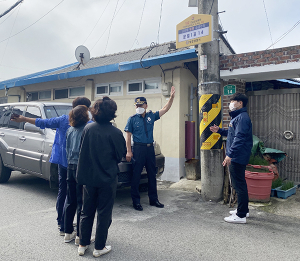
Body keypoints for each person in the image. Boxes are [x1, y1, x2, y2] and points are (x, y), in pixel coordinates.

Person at [11, 97, 91, 234]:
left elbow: (43, 122)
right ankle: (76, 228)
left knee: (64, 191)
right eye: (87, 108)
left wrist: (24, 119)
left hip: (62, 162)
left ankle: (62, 223)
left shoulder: (63, 119)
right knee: (77, 195)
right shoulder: (88, 124)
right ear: (84, 109)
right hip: (77, 164)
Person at [76, 97, 126, 257]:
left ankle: (82, 244)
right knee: (104, 213)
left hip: (89, 177)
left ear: (94, 112)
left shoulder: (88, 129)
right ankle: (99, 247)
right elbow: (120, 155)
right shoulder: (116, 133)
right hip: (107, 177)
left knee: (86, 210)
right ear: (112, 114)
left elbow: (81, 151)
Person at [124, 86, 176, 211]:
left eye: (140, 105)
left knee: (152, 175)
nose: (138, 107)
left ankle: (154, 199)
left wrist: (171, 98)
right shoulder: (132, 119)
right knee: (136, 175)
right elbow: (128, 136)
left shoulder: (151, 116)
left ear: (146, 105)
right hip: (138, 149)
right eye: (136, 106)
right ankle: (136, 201)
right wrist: (129, 151)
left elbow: (165, 109)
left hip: (149, 149)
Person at [210, 93, 253, 224]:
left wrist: (230, 155)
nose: (231, 103)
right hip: (238, 156)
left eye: (234, 100)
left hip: (237, 157)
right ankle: (243, 210)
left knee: (239, 185)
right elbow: (232, 133)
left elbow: (239, 138)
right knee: (239, 184)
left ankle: (240, 216)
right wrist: (219, 131)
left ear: (240, 103)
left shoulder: (242, 117)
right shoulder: (239, 117)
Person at [64, 105, 89, 245]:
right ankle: (80, 235)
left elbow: (67, 149)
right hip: (81, 168)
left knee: (70, 200)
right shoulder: (85, 130)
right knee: (81, 202)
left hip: (70, 167)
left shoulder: (69, 130)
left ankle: (68, 232)